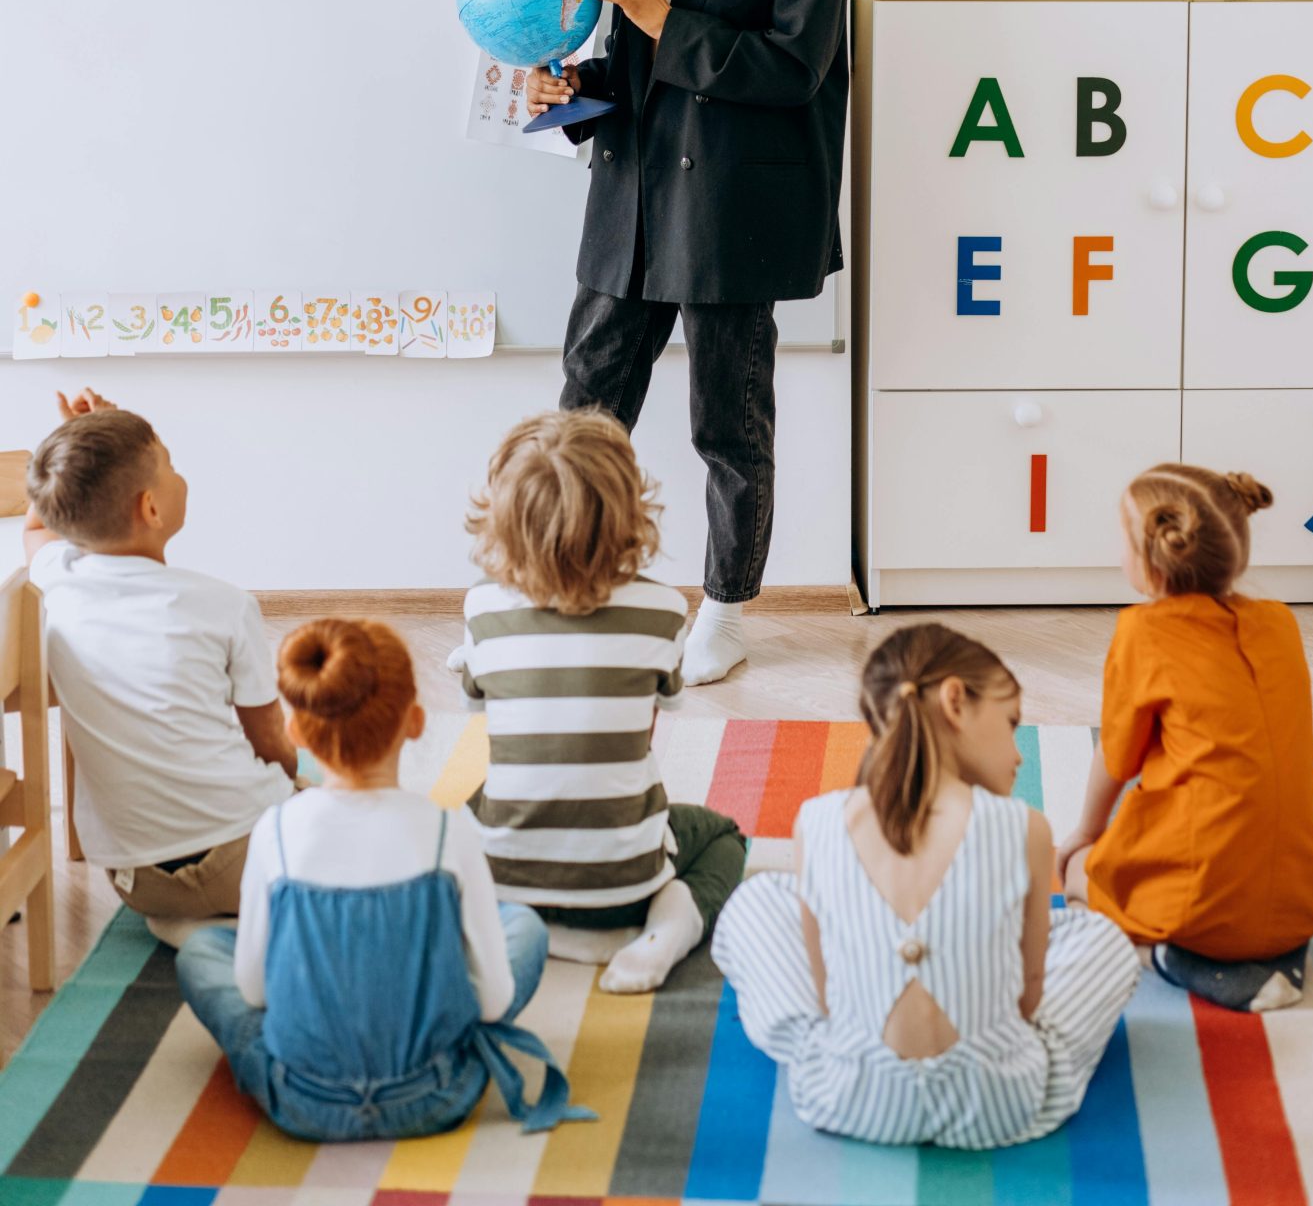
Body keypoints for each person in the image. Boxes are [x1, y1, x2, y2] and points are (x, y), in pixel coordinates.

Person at [528, 0, 850, 686]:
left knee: (729, 419)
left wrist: (672, 22)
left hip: (730, 207)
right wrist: (571, 80)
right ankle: (563, 582)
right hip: (629, 197)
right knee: (584, 408)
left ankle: (726, 606)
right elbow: (631, 65)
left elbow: (796, 69)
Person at [711, 623, 1138, 1149]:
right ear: (955, 700)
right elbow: (1027, 1004)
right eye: (1011, 723)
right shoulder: (1023, 826)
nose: (1019, 753)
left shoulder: (815, 820)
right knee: (1100, 940)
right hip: (998, 1103)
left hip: (848, 1095)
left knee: (757, 900)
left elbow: (826, 999)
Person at [177, 618, 588, 1140]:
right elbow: (492, 1002)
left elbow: (254, 992)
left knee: (200, 952)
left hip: (302, 1099)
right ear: (414, 721)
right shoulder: (447, 831)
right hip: (439, 1094)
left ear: (298, 731)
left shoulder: (275, 830)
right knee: (522, 925)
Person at [460, 408, 746, 991]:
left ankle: (525, 926)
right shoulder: (663, 611)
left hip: (503, 880)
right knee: (721, 836)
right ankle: (666, 932)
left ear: (505, 517)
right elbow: (655, 718)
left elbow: (479, 708)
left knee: (462, 811)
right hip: (623, 887)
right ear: (627, 512)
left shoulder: (483, 610)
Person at [1056, 464, 1313, 1012]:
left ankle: (1174, 956)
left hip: (1203, 898)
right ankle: (1269, 955)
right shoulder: (1280, 623)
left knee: (1077, 868)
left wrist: (1083, 836)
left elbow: (1116, 759)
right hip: (1304, 898)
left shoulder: (1142, 633)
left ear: (1150, 557)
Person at [23, 388, 294, 922]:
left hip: (139, 882)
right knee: (356, 811)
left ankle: (190, 930)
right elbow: (274, 751)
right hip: (252, 859)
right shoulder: (226, 605)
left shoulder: (56, 579)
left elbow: (36, 527)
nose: (180, 476)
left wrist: (70, 452)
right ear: (150, 507)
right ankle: (248, 929)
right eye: (170, 466)